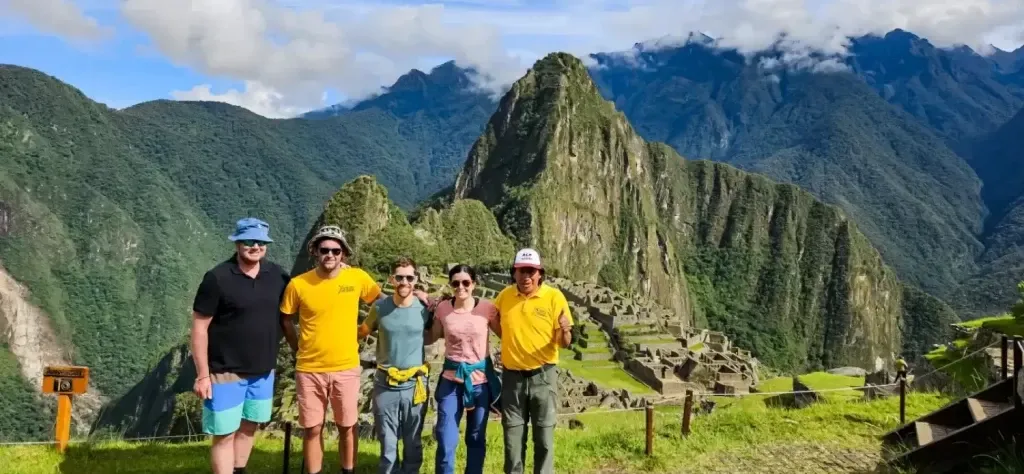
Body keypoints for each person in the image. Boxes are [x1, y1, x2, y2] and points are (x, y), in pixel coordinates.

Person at [191, 217, 291, 474]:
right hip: (225, 371)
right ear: (237, 243)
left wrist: (340, 271)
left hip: (263, 369)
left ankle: (239, 470)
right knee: (224, 432)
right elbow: (200, 328)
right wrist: (203, 375)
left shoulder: (277, 275)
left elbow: (306, 297)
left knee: (249, 426)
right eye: (248, 241)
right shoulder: (217, 278)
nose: (255, 246)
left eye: (260, 241)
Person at [279, 225, 381, 474]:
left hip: (345, 366)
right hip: (310, 369)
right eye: (324, 249)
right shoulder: (298, 284)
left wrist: (364, 329)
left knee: (347, 425)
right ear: (315, 251)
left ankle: (348, 470)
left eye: (336, 250)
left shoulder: (356, 278)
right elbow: (285, 318)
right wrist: (296, 348)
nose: (330, 255)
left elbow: (380, 302)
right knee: (312, 428)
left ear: (343, 254)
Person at [494, 248, 573, 474]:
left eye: (531, 271)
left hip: (543, 377)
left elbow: (564, 341)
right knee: (512, 442)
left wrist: (566, 331)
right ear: (514, 273)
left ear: (539, 273)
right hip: (512, 379)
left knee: (544, 440)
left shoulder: (554, 297)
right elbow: (492, 319)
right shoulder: (505, 296)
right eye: (521, 271)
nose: (526, 276)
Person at [357, 256, 432, 474]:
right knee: (387, 443)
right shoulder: (380, 308)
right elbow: (362, 332)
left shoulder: (424, 309)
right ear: (392, 279)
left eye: (409, 277)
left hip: (414, 384)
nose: (404, 282)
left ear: (415, 279)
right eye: (399, 277)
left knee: (412, 441)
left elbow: (442, 330)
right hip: (385, 383)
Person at [427, 264, 502, 474]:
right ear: (451, 285)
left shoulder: (487, 308)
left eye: (466, 282)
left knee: (476, 438)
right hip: (451, 381)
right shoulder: (443, 309)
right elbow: (432, 336)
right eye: (456, 283)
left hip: (480, 383)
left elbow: (506, 333)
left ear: (474, 284)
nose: (461, 287)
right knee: (445, 438)